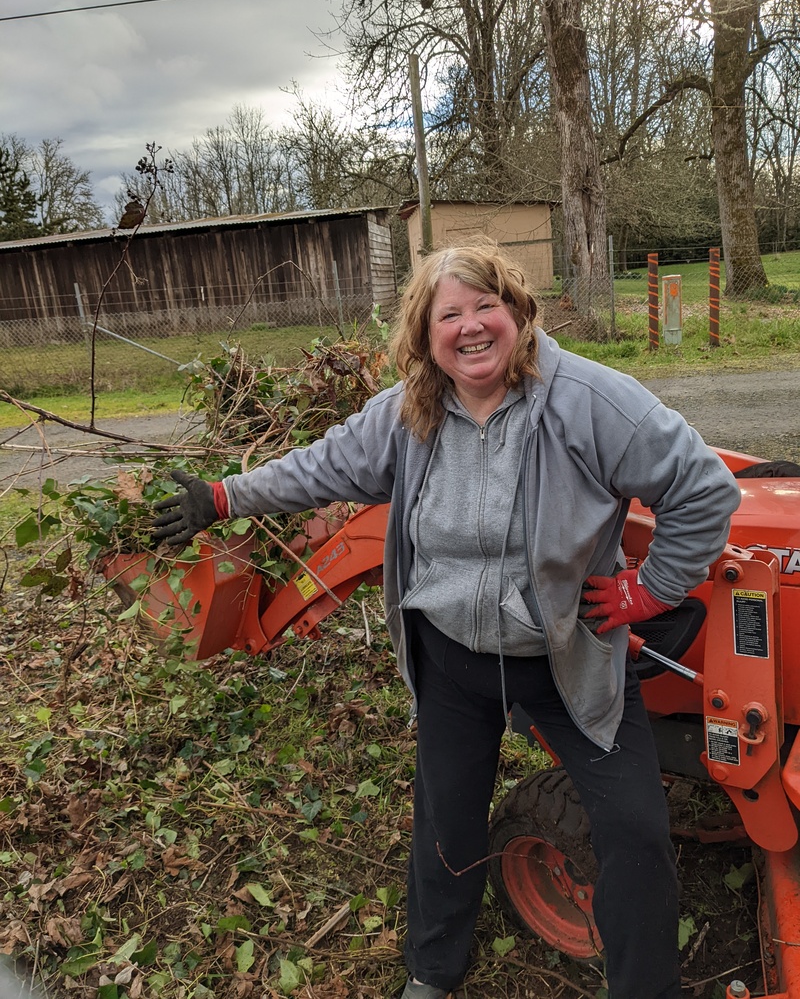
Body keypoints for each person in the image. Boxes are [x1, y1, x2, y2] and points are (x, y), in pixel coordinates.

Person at [152, 242, 741, 999]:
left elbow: (704, 489)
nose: (470, 327)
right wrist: (223, 496)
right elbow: (321, 465)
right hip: (454, 657)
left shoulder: (589, 401)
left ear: (518, 311)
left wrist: (647, 593)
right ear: (425, 333)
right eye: (448, 313)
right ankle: (433, 970)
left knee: (634, 832)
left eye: (484, 306)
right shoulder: (409, 412)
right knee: (446, 819)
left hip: (572, 658)